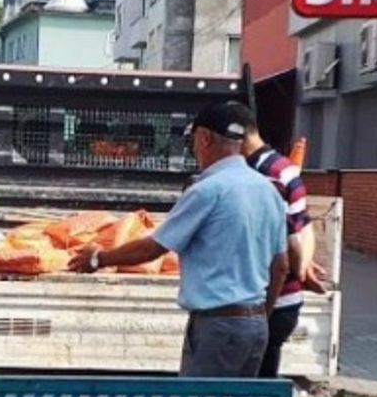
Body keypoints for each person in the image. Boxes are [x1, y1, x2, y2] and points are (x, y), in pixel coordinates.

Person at [68, 102, 289, 377]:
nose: (194, 149)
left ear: (205, 138)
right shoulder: (269, 191)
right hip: (255, 326)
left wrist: (97, 257)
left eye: (193, 140)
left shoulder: (208, 190)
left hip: (217, 327)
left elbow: (153, 248)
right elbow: (280, 266)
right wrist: (259, 316)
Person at [238, 108, 329, 378]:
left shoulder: (266, 175)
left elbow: (287, 247)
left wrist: (263, 312)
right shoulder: (282, 167)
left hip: (269, 303)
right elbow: (303, 224)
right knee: (261, 386)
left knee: (251, 393)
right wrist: (302, 269)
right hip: (284, 301)